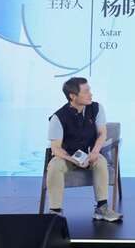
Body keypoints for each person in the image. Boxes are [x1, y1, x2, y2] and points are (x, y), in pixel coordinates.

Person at [46, 77, 122, 222]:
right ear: (72, 96)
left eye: (89, 90)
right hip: (67, 156)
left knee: (100, 161)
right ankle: (55, 212)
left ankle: (102, 208)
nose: (90, 94)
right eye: (86, 91)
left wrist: (94, 152)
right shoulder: (58, 117)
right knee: (54, 165)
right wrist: (72, 159)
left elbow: (102, 133)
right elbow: (55, 148)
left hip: (90, 154)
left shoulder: (97, 108)